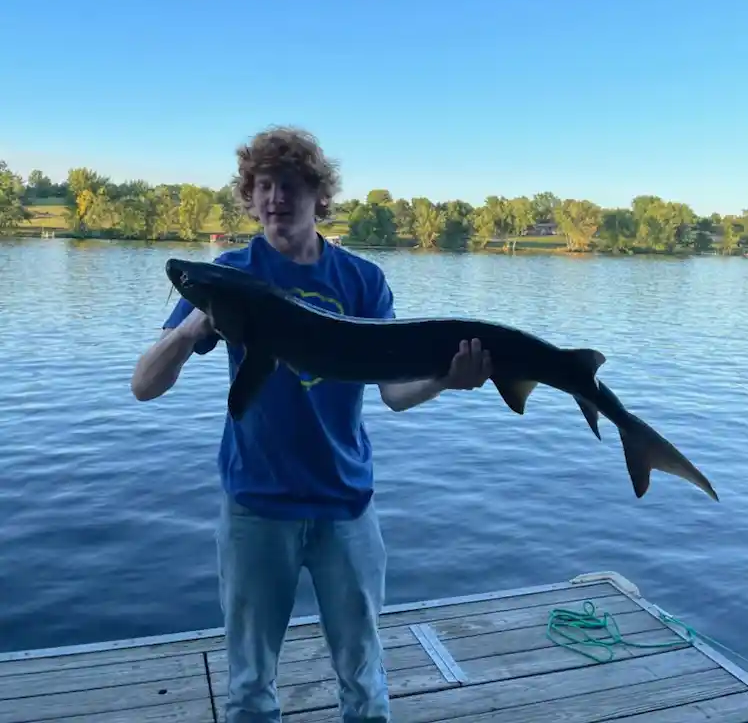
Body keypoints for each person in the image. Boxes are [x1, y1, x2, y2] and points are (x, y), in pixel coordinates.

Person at [130, 126, 492, 723]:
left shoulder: (362, 281)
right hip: (256, 504)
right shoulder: (228, 275)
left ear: (319, 197)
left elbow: (396, 394)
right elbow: (145, 384)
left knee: (364, 676)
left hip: (345, 504)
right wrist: (195, 326)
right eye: (263, 186)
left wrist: (446, 379)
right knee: (249, 685)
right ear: (249, 198)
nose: (275, 197)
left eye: (290, 185)